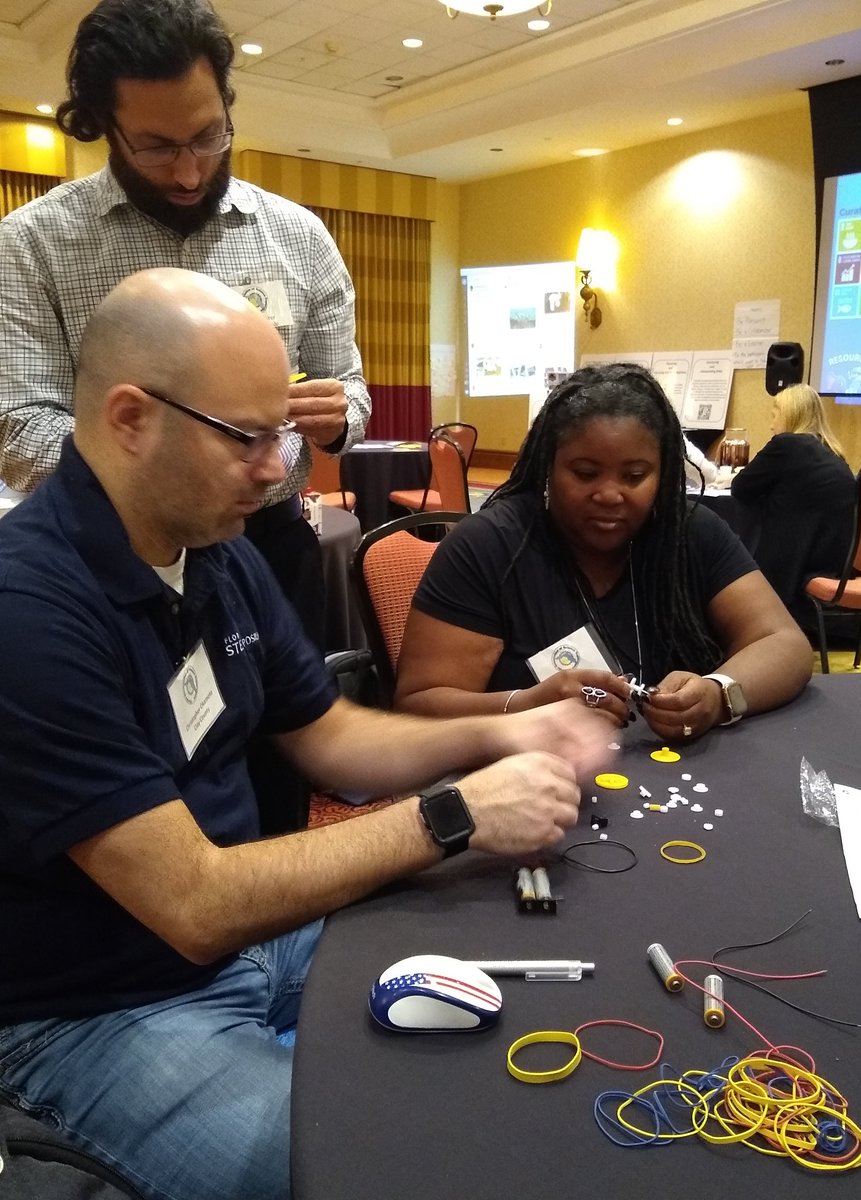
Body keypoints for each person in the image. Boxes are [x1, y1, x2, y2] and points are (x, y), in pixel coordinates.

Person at [0, 268, 610, 1200]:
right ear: (131, 418)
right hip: (96, 1007)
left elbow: (332, 738)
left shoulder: (216, 549)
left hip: (245, 939)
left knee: (519, 995)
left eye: (280, 434)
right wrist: (451, 818)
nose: (280, 468)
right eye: (247, 437)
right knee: (381, 1165)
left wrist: (510, 730)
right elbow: (194, 902)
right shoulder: (30, 609)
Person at [0, 0, 370, 654]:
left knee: (293, 747)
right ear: (103, 126)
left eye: (207, 135)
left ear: (227, 106)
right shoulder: (34, 244)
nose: (190, 171)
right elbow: (19, 423)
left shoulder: (299, 238)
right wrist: (173, 476)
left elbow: (350, 387)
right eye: (158, 147)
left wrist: (339, 416)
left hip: (272, 546)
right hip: (105, 559)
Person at [395, 363, 812, 743]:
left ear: (662, 473)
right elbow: (418, 706)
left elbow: (786, 645)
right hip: (525, 789)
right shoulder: (488, 546)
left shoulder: (689, 532)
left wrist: (720, 692)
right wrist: (527, 705)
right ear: (548, 467)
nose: (610, 495)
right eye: (585, 473)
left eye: (634, 476)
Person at [730, 383, 856, 624]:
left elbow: (741, 488)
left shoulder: (786, 445)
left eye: (774, 415)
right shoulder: (834, 452)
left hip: (792, 568)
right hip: (835, 564)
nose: (771, 424)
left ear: (789, 414)